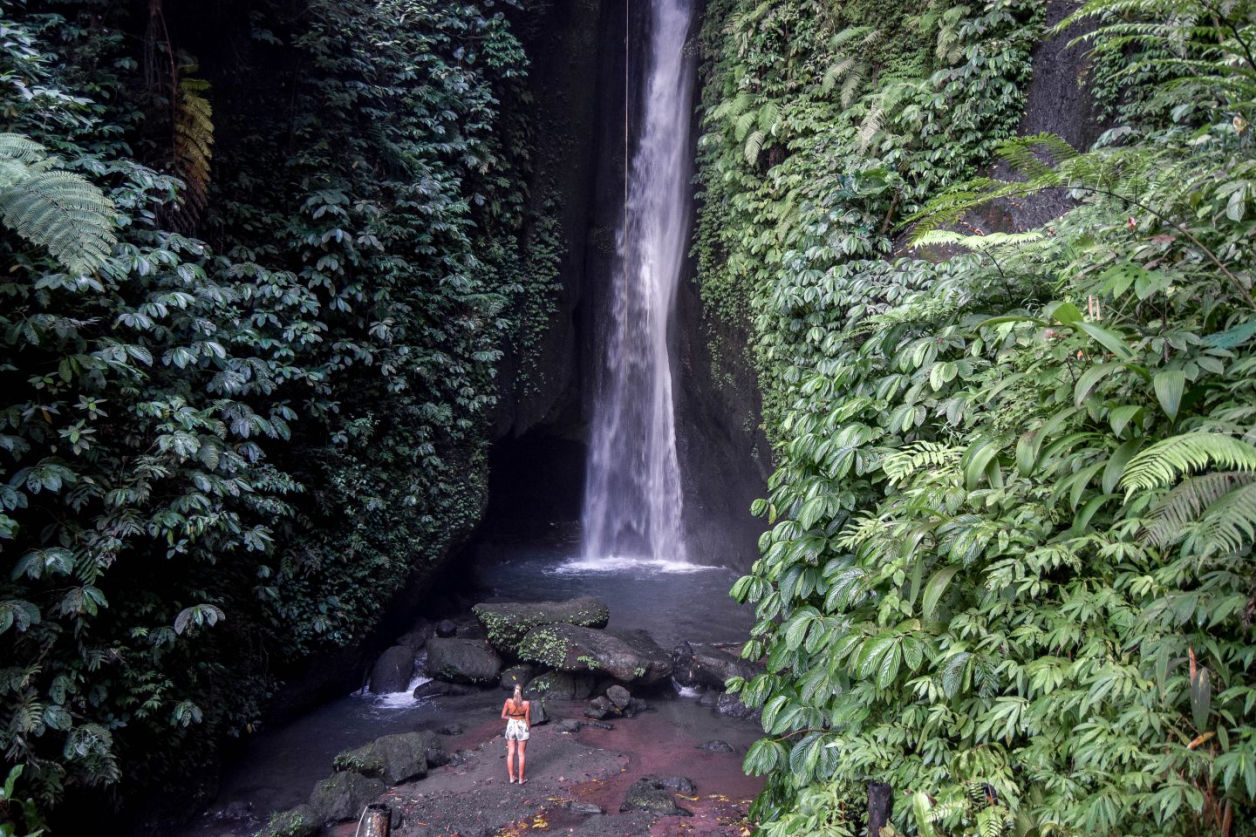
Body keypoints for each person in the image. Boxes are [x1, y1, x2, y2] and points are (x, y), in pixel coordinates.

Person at [500, 683, 531, 784]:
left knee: (510, 753)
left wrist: (512, 718)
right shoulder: (527, 703)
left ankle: (511, 778)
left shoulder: (508, 701)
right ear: (522, 692)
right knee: (521, 754)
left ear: (514, 692)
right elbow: (527, 719)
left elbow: (503, 716)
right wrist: (528, 729)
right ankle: (521, 779)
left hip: (511, 726)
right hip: (522, 726)